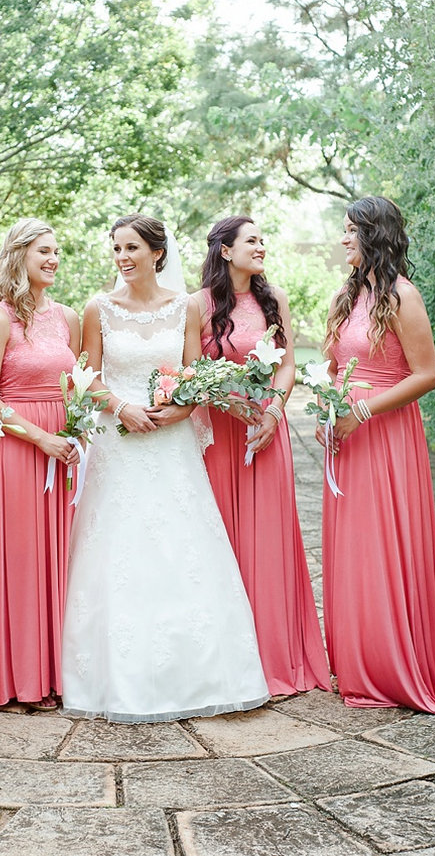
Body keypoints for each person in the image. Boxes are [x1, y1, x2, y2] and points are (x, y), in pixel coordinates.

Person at [61, 214, 269, 722]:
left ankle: (198, 673)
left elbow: (194, 372)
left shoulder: (184, 308)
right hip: (121, 440)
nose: (122, 258)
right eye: (116, 249)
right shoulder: (99, 308)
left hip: (170, 440)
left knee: (182, 547)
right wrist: (120, 407)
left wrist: (180, 408)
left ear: (158, 253)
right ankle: (117, 678)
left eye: (131, 248)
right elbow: (85, 376)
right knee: (120, 550)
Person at [319, 196, 435, 713]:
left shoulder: (403, 296)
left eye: (350, 231)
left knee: (383, 543)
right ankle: (358, 661)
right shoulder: (347, 296)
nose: (343, 240)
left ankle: (395, 664)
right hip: (346, 437)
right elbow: (335, 367)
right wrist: (327, 410)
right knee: (352, 548)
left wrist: (363, 412)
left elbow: (427, 375)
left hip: (385, 434)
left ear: (374, 234)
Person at [191, 216, 331, 696]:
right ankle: (228, 656)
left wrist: (273, 412)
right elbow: (190, 371)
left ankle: (276, 654)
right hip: (221, 431)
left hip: (267, 429)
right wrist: (227, 402)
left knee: (269, 538)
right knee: (223, 537)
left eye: (263, 239)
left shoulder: (275, 300)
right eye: (252, 240)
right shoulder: (199, 305)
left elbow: (288, 362)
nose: (262, 246)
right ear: (226, 250)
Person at [0, 219, 80, 711]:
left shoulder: (67, 318)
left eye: (57, 251)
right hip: (17, 446)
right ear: (19, 256)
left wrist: (74, 433)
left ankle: (59, 671)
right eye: (43, 252)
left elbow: (78, 382)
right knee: (20, 559)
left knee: (61, 557)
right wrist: (39, 437)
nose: (53, 259)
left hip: (62, 446)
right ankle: (21, 677)